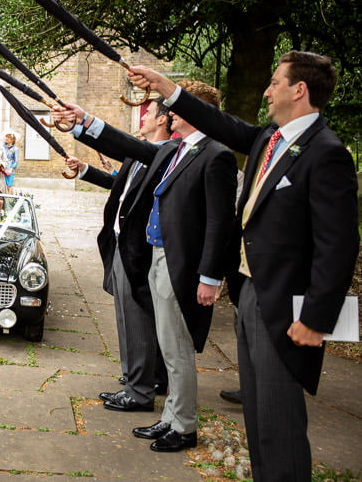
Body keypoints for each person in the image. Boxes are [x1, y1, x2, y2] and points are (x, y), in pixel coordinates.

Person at [129, 52, 358, 480]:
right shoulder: (271, 136)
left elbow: (339, 245)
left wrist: (317, 318)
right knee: (256, 413)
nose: (268, 91)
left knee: (279, 419)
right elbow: (225, 126)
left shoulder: (326, 153)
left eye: (275, 82)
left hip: (287, 305)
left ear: (299, 89)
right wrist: (166, 88)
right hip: (250, 291)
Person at [54, 79, 236, 453]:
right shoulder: (178, 150)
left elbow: (220, 222)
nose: (168, 112)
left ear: (196, 111)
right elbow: (129, 147)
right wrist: (81, 124)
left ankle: (184, 425)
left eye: (175, 105)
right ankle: (170, 416)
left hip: (180, 262)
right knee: (167, 346)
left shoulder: (215, 155)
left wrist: (209, 276)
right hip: (156, 256)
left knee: (177, 348)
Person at [66, 98, 173, 413]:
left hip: (137, 250)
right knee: (125, 317)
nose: (142, 117)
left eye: (149, 112)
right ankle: (133, 378)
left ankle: (140, 391)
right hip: (117, 243)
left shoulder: (163, 154)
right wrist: (85, 170)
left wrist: (84, 121)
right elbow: (118, 185)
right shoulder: (140, 154)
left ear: (164, 121)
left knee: (138, 319)